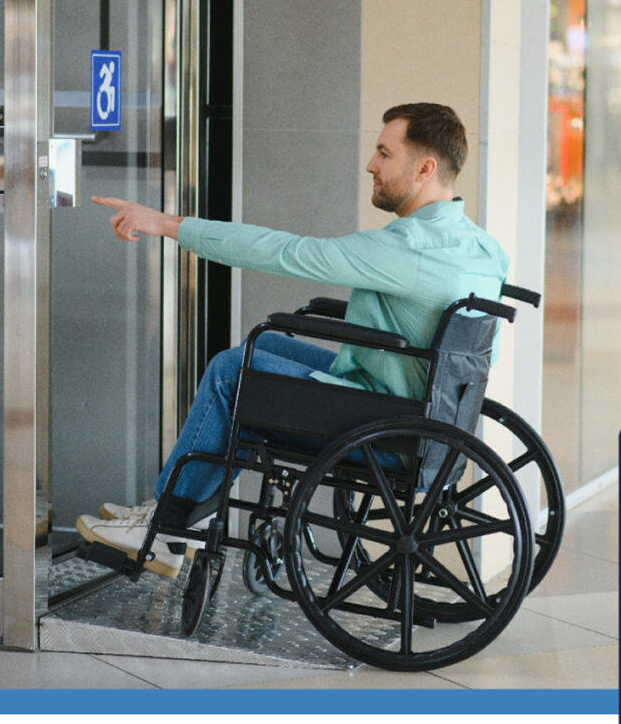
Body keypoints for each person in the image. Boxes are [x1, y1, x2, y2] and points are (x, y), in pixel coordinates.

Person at [77, 102, 510, 576]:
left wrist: (166, 224)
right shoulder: (483, 248)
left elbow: (286, 253)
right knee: (262, 351)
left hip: (387, 425)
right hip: (429, 417)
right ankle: (173, 513)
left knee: (232, 371)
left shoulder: (407, 248)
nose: (371, 164)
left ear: (425, 168)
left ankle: (165, 527)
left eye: (384, 154)